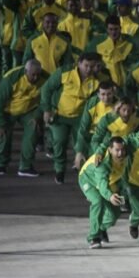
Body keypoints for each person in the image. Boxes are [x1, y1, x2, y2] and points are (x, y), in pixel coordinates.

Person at [40, 52, 101, 184]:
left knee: (82, 144)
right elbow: (47, 88)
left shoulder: (97, 80)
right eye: (86, 66)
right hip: (59, 115)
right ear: (79, 64)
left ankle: (82, 171)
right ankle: (59, 170)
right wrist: (46, 109)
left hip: (80, 117)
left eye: (92, 66)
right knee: (60, 142)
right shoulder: (64, 72)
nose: (89, 69)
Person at [0, 59, 48, 176]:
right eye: (33, 74)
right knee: (4, 135)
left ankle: (25, 167)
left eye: (38, 75)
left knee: (33, 131)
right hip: (8, 111)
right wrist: (0, 123)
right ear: (25, 71)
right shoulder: (11, 78)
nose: (35, 78)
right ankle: (1, 164)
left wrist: (38, 115)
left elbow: (47, 99)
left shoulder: (45, 78)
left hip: (29, 110)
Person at [78, 136, 127, 248]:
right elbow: (102, 186)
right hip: (88, 180)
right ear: (110, 150)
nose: (120, 153)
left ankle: (100, 229)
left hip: (110, 180)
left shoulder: (126, 151)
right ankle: (93, 237)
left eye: (122, 150)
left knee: (113, 216)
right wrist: (110, 197)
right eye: (117, 150)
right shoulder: (101, 164)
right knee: (98, 200)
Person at [85, 15, 139, 90]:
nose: (113, 32)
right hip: (105, 85)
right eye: (110, 29)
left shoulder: (129, 41)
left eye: (116, 29)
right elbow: (87, 59)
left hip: (127, 84)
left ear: (120, 28)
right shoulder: (97, 42)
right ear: (106, 29)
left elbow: (138, 59)